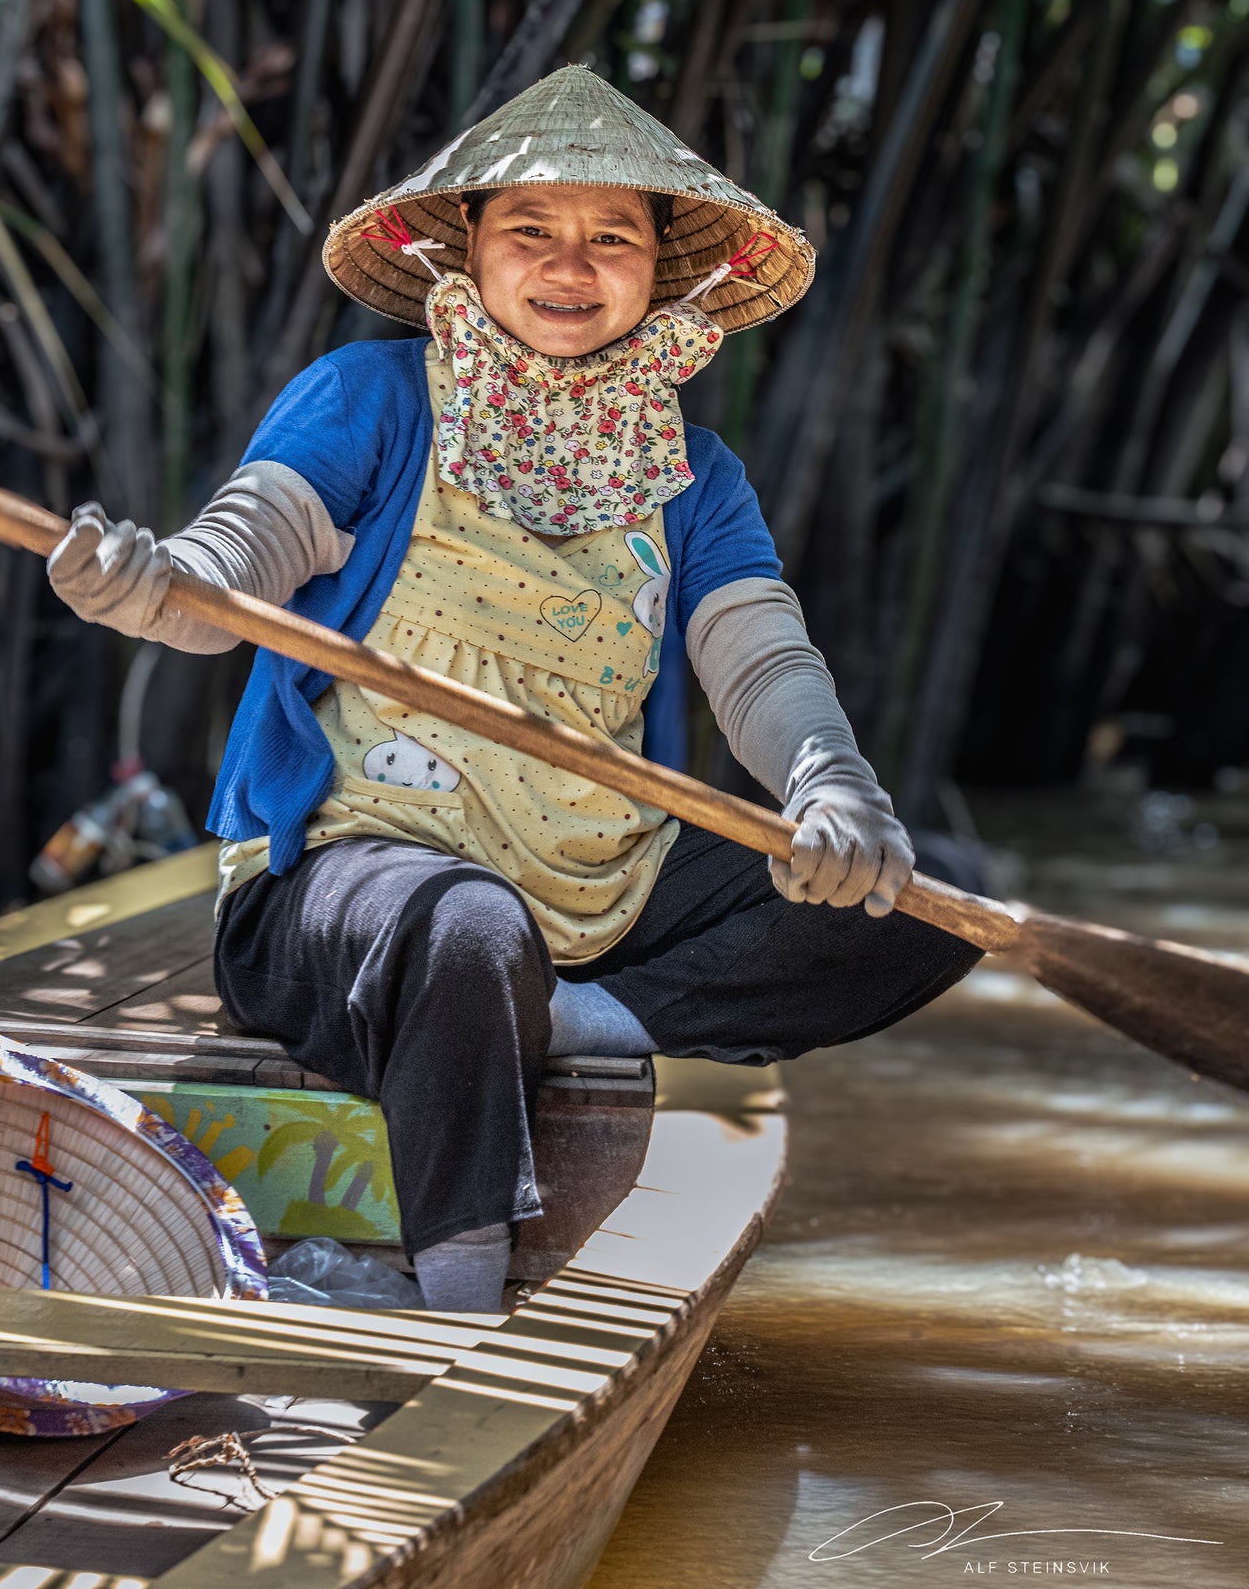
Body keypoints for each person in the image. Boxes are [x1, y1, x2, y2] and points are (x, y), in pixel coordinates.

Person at [48, 67, 984, 1311]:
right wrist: (153, 580)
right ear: (465, 250)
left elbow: (757, 652)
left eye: (612, 237)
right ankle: (462, 1292)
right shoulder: (371, 398)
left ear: (663, 271)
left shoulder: (694, 473)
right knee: (468, 929)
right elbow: (240, 558)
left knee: (912, 910)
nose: (569, 264)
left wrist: (830, 780)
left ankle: (583, 1015)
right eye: (529, 230)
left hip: (599, 881)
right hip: (352, 870)